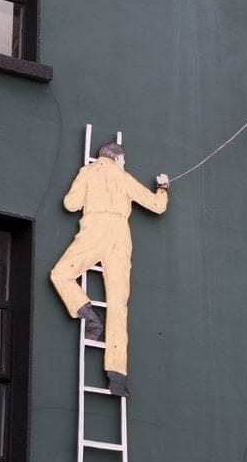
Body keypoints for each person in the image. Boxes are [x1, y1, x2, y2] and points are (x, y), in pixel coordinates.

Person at [50, 142, 169, 397]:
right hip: (119, 237)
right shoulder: (123, 177)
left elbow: (70, 204)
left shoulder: (87, 172)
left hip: (93, 229)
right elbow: (157, 206)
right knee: (118, 305)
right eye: (123, 161)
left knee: (61, 274)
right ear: (117, 159)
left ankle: (86, 312)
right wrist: (163, 187)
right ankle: (117, 376)